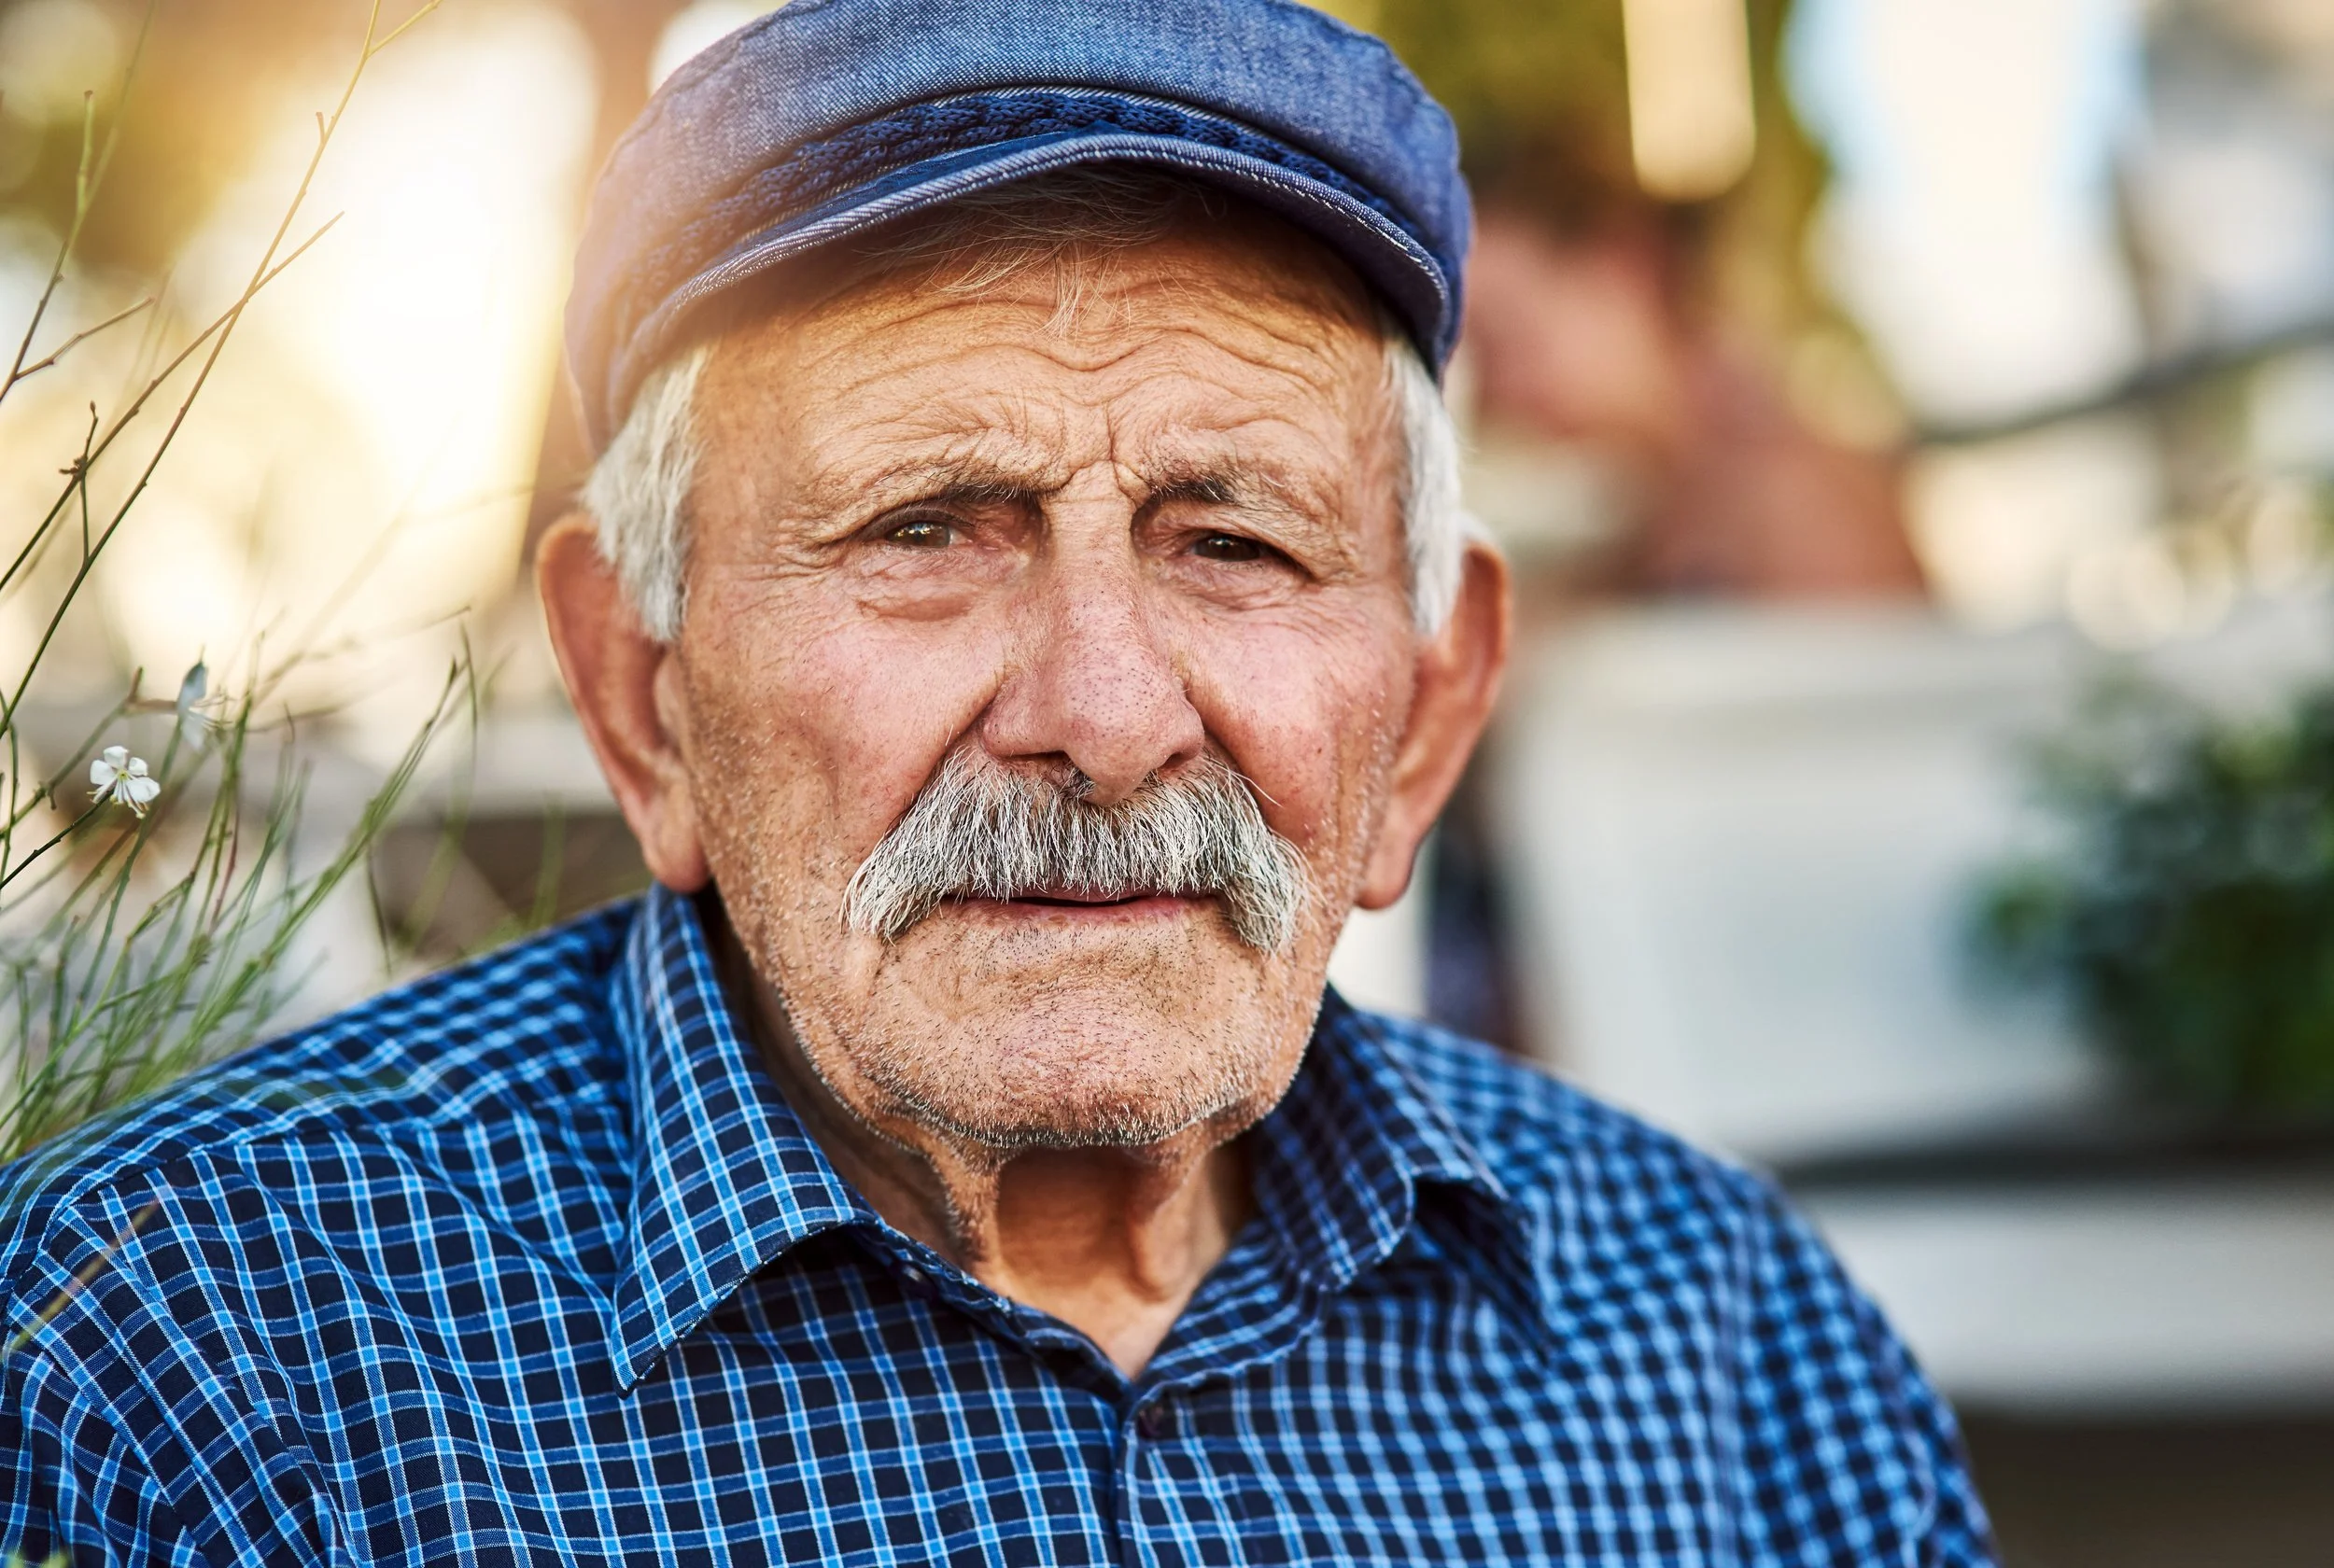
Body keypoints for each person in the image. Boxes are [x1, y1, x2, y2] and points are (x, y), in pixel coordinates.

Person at [0, 2, 1996, 1561]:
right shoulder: (189, 1355)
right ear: (641, 696)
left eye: (1236, 544)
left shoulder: (1730, 1354)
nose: (1105, 716)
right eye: (926, 527)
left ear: (1425, 714)